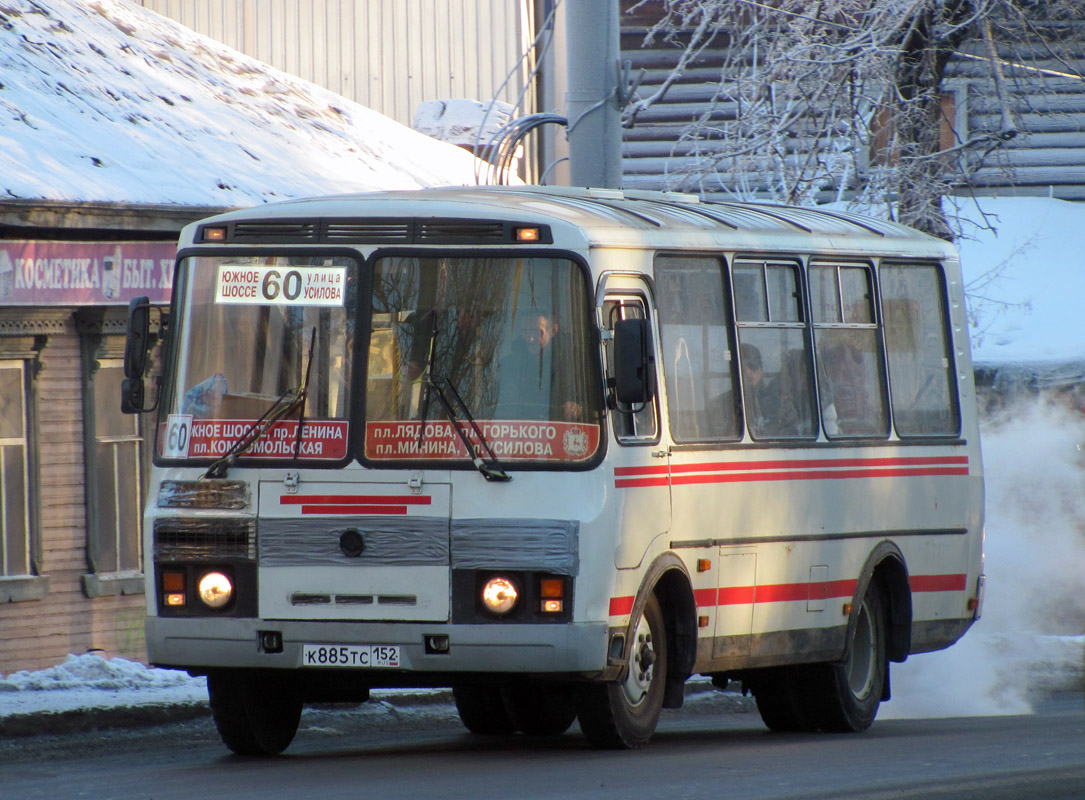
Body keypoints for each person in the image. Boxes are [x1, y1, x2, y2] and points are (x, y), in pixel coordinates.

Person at [496, 311, 582, 422]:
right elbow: (499, 403)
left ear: (553, 330)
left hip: (559, 431)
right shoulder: (509, 365)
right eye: (525, 331)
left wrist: (575, 408)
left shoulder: (574, 363)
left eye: (536, 331)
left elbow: (593, 404)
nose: (530, 338)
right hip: (517, 432)